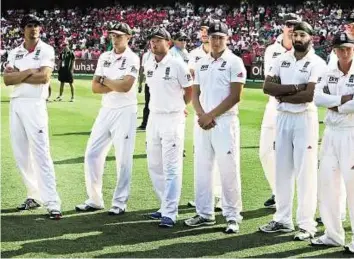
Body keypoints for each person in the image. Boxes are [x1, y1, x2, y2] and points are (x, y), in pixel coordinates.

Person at [259, 22, 327, 241]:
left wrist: (284, 93)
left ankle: (307, 224)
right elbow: (268, 88)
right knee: (282, 170)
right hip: (283, 118)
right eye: (295, 34)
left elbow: (310, 95)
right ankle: (282, 219)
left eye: (302, 35)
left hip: (304, 118)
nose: (298, 38)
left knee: (305, 172)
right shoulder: (281, 59)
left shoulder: (317, 63)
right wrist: (295, 88)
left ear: (311, 38)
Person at [184, 21, 246, 234]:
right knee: (202, 168)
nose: (217, 41)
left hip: (224, 122)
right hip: (203, 122)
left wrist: (210, 115)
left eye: (221, 37)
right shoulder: (201, 62)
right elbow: (195, 93)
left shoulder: (234, 62)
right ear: (207, 39)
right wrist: (201, 114)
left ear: (227, 39)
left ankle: (232, 215)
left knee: (228, 168)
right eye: (213, 37)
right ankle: (204, 213)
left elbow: (235, 96)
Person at [75, 23, 140, 215]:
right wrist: (114, 83)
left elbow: (126, 86)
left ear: (129, 37)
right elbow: (95, 88)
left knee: (123, 159)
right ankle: (95, 199)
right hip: (106, 109)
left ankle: (119, 203)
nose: (115, 38)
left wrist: (106, 81)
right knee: (92, 154)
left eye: (119, 36)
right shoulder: (105, 56)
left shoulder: (132, 58)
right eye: (113, 35)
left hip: (125, 111)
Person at [3, 14, 62, 220]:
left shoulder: (46, 49)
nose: (34, 29)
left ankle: (53, 202)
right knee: (21, 154)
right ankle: (33, 195)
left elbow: (44, 77)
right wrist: (29, 71)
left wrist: (20, 74)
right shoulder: (15, 51)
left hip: (35, 105)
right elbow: (7, 80)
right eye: (30, 25)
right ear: (23, 29)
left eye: (37, 25)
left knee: (41, 153)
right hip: (16, 104)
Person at [144, 27, 193, 228]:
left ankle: (170, 213)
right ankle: (164, 205)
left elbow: (189, 91)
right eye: (152, 40)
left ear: (168, 42)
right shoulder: (148, 63)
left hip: (172, 118)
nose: (154, 43)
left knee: (171, 166)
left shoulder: (177, 64)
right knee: (154, 164)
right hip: (154, 118)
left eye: (158, 40)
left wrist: (180, 107)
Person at [311, 32, 354, 255]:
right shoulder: (328, 74)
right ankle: (333, 234)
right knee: (327, 183)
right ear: (334, 50)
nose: (345, 52)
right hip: (330, 133)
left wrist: (335, 105)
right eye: (341, 48)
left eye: (348, 48)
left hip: (351, 133)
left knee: (353, 186)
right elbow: (318, 99)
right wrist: (342, 100)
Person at [260, 13, 301, 209]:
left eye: (295, 24)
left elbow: (304, 85)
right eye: (288, 24)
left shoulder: (304, 50)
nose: (291, 27)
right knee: (265, 152)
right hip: (273, 107)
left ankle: (290, 196)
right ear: (283, 26)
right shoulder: (271, 50)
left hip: (295, 107)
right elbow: (271, 80)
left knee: (293, 156)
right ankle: (278, 191)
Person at [187, 18, 222, 211]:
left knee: (221, 157)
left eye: (206, 30)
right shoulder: (195, 54)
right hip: (200, 110)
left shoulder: (225, 55)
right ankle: (204, 196)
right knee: (201, 156)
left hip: (219, 112)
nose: (203, 33)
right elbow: (192, 75)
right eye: (202, 30)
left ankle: (218, 195)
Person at [137, 47, 153, 130]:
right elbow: (142, 70)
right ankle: (145, 124)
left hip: (159, 83)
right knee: (147, 104)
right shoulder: (146, 55)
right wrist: (140, 84)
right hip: (148, 83)